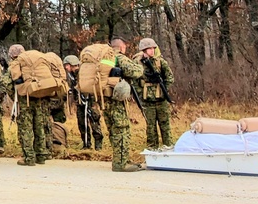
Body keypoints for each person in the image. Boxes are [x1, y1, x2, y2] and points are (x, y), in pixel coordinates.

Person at [106, 38, 145, 172]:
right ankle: (120, 164)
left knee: (113, 130)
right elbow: (135, 72)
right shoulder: (119, 57)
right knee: (122, 130)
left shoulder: (104, 58)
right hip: (116, 100)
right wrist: (138, 61)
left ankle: (121, 159)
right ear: (122, 47)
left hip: (104, 99)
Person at [7, 44, 48, 166]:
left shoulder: (15, 65)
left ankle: (29, 158)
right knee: (39, 127)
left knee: (26, 129)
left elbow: (8, 84)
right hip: (38, 97)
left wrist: (16, 96)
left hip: (24, 102)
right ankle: (41, 156)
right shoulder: (33, 63)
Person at [135, 38, 175, 149]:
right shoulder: (138, 63)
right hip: (147, 100)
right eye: (149, 49)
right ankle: (152, 150)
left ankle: (169, 148)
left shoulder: (160, 62)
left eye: (153, 48)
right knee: (151, 127)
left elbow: (170, 77)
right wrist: (141, 93)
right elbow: (134, 81)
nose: (152, 50)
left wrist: (164, 89)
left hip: (161, 100)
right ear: (143, 50)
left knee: (165, 126)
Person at [64, 55, 103, 149]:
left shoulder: (82, 73)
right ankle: (86, 144)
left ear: (72, 65)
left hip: (90, 101)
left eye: (67, 65)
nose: (66, 67)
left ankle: (98, 146)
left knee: (94, 121)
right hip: (80, 102)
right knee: (82, 123)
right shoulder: (71, 75)